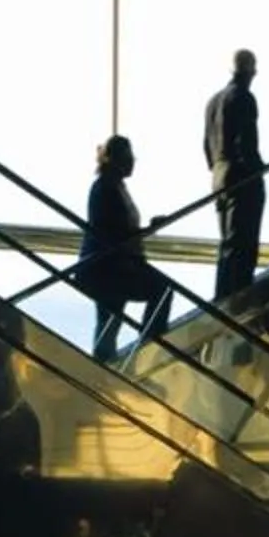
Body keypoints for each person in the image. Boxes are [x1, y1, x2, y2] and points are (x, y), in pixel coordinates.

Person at [72, 134, 175, 366]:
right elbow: (114, 234)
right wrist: (146, 231)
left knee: (109, 321)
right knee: (160, 290)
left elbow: (114, 232)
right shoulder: (108, 189)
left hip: (107, 268)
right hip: (111, 267)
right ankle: (148, 350)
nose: (132, 162)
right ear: (115, 159)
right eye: (128, 157)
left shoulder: (110, 186)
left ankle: (105, 366)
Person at [203, 47, 264, 302]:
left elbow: (206, 143)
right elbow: (247, 143)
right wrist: (257, 170)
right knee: (243, 245)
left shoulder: (213, 101)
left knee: (227, 245)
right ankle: (235, 301)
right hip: (241, 177)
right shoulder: (244, 98)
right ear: (252, 71)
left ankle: (221, 297)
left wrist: (217, 168)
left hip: (219, 176)